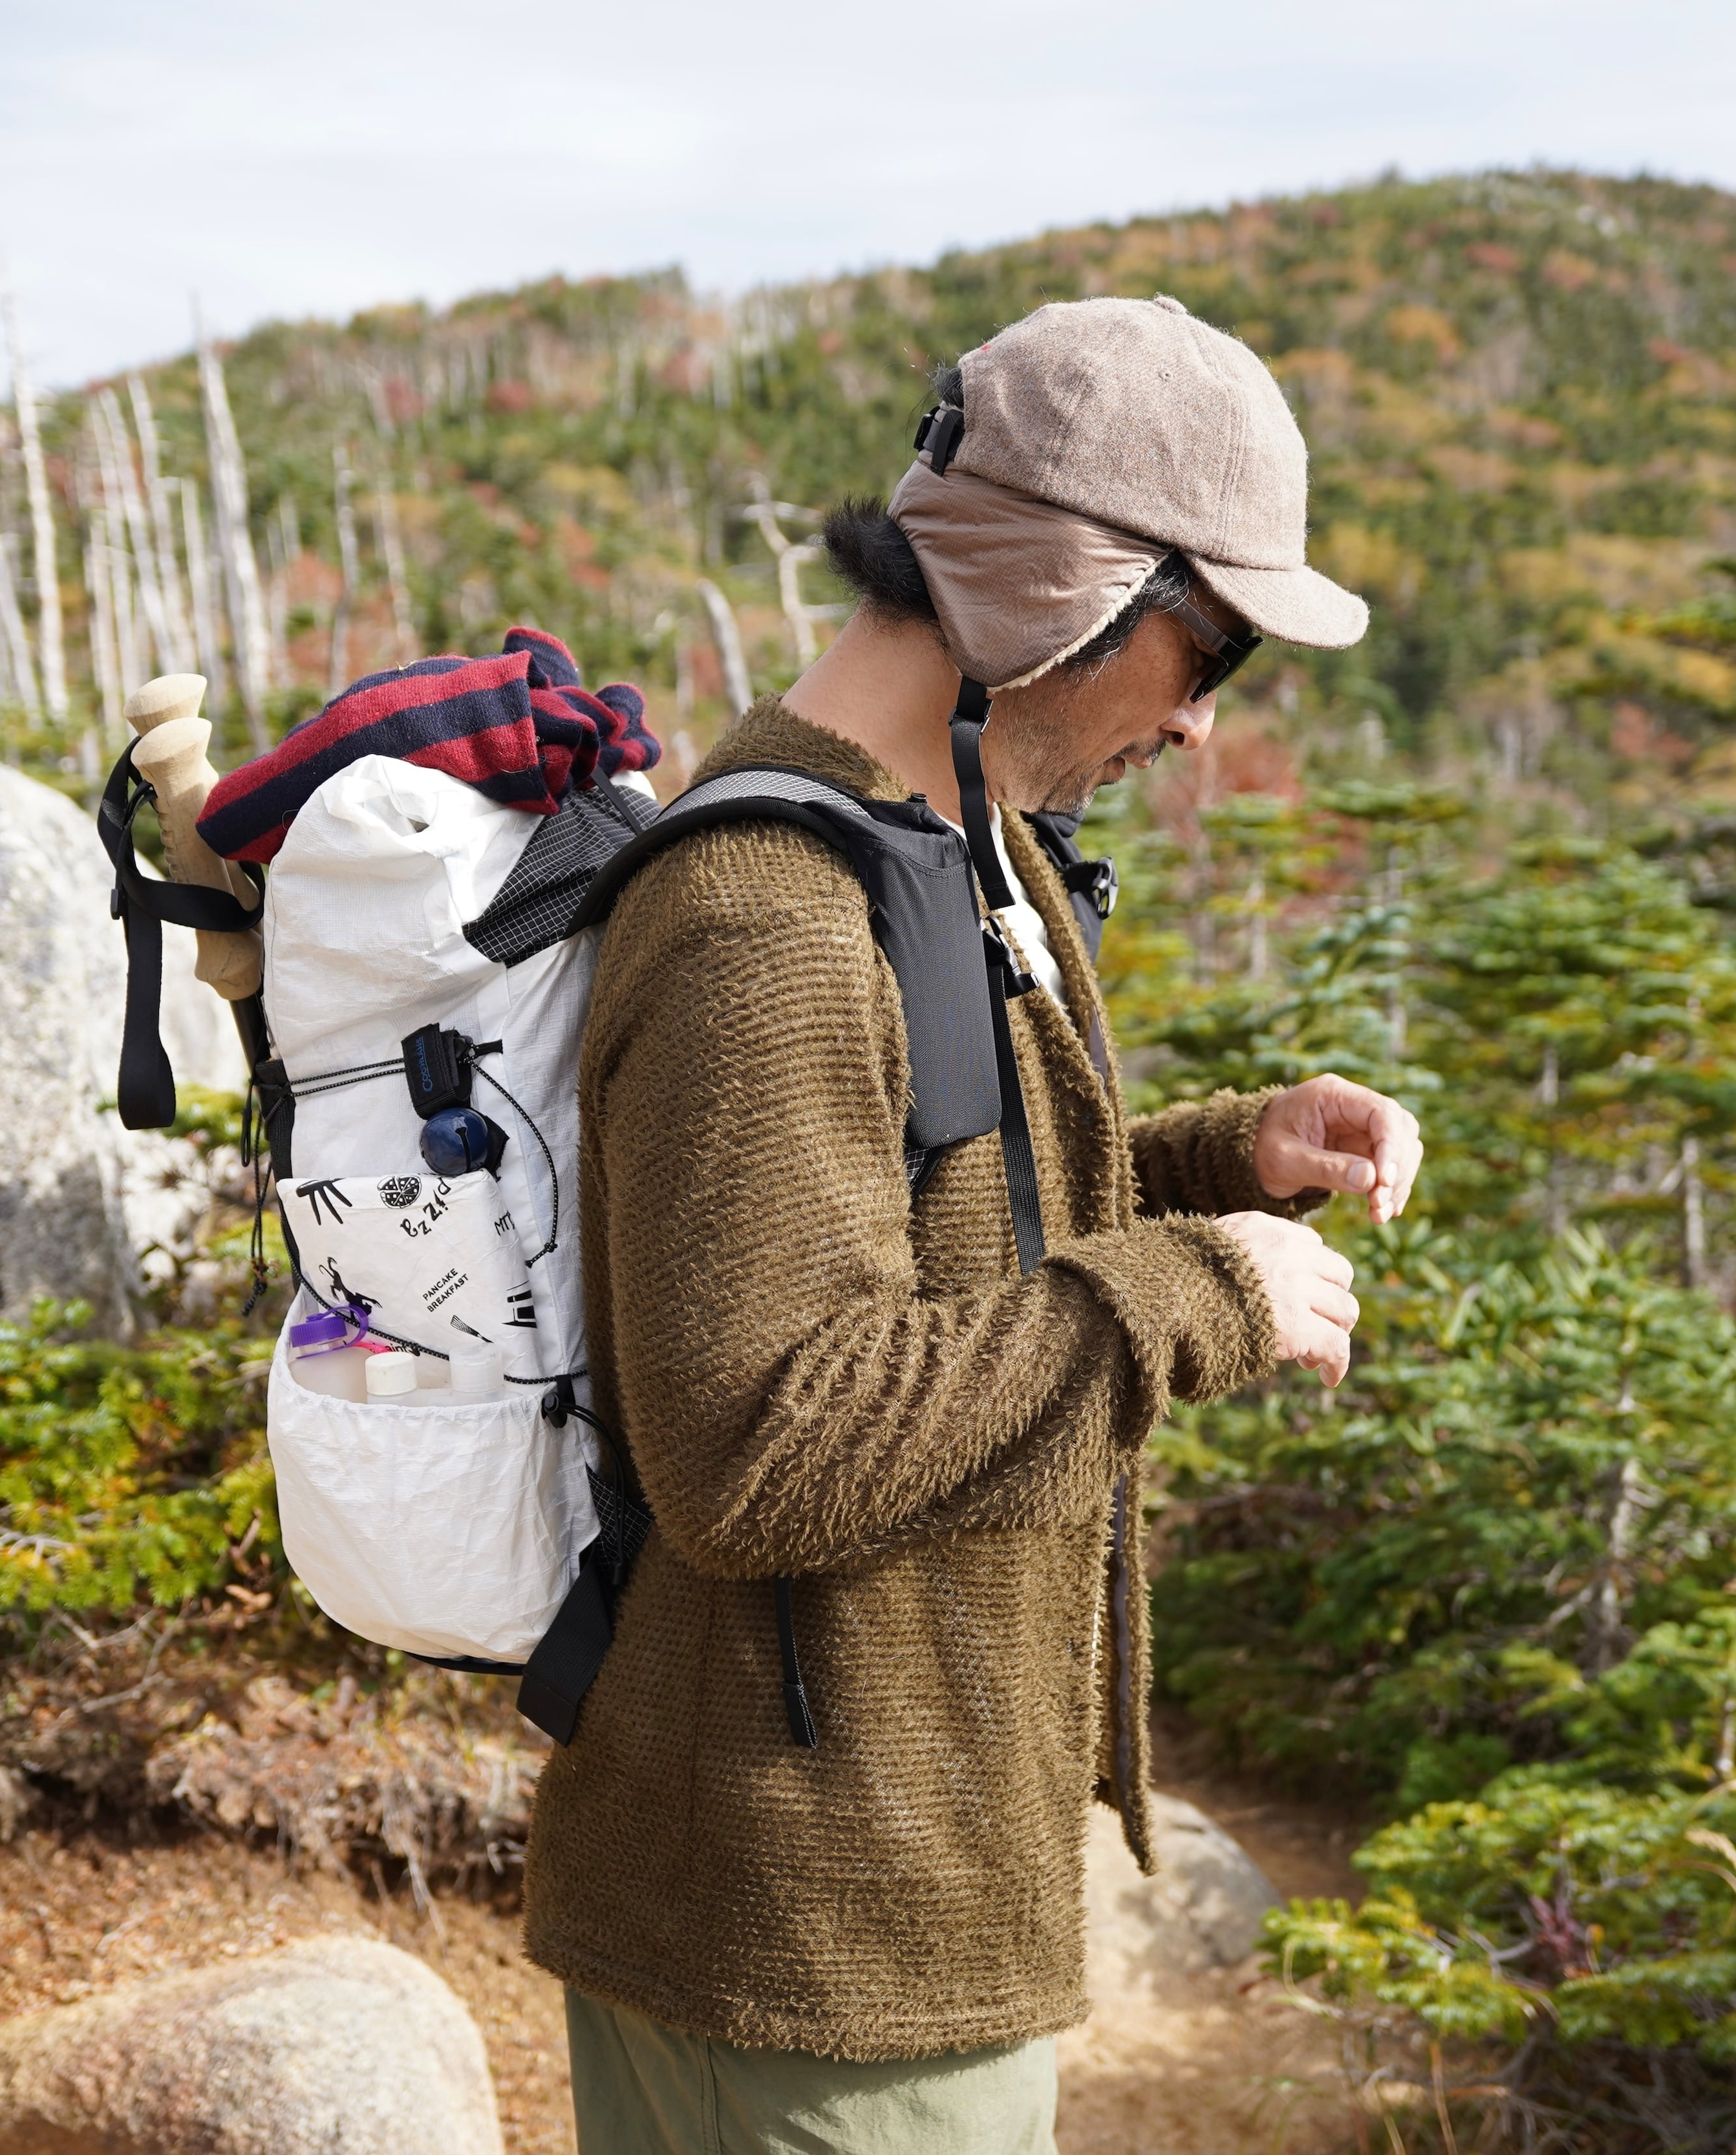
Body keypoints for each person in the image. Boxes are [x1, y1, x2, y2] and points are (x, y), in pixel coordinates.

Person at [526, 294, 1422, 2154]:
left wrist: (1220, 1160)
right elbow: (764, 1440)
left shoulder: (953, 842)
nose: (1194, 718)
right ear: (1069, 589)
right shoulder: (769, 913)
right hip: (798, 1940)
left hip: (898, 1895)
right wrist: (1195, 1295)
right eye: (1211, 647)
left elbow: (945, 1213)